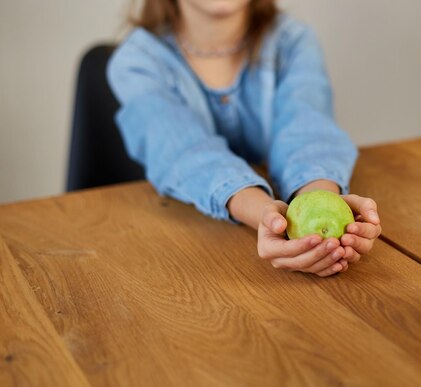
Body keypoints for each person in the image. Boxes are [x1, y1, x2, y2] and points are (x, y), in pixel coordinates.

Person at [107, 0, 381, 277]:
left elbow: (307, 129)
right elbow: (185, 152)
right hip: (183, 250)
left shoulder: (293, 41)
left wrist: (317, 200)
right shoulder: (137, 62)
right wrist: (268, 216)